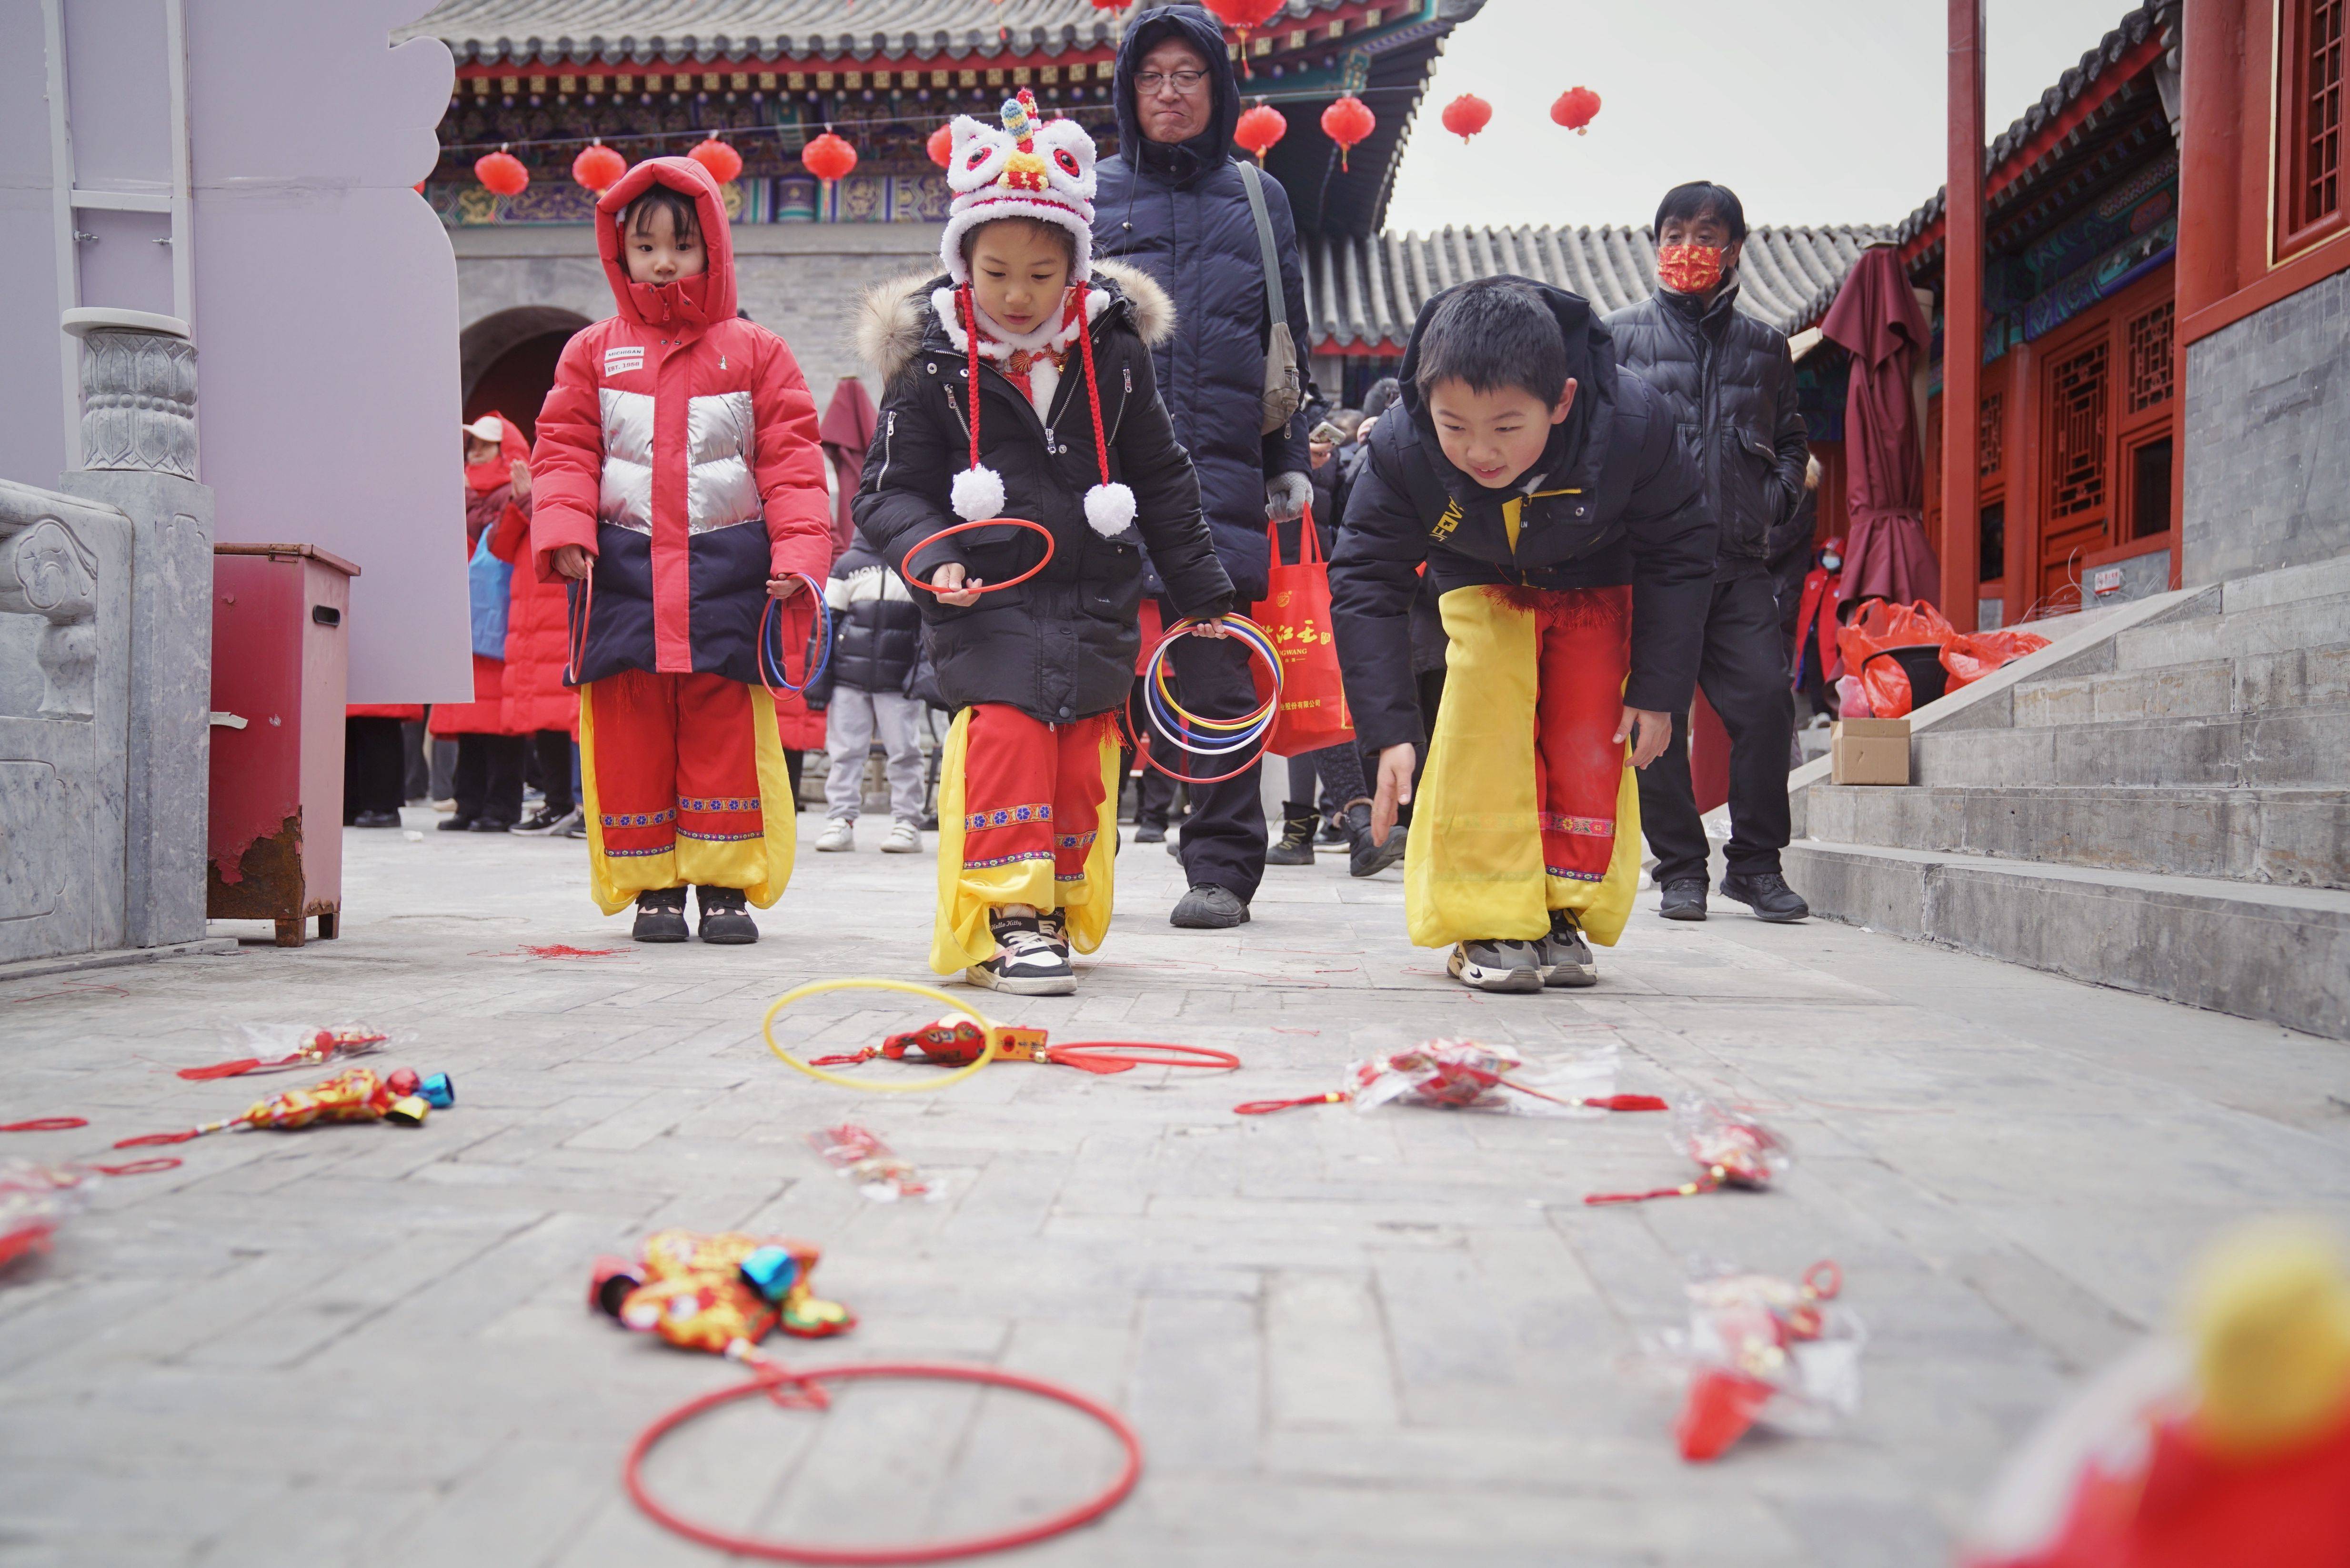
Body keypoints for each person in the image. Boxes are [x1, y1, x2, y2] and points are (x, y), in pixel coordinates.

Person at [854, 89, 1231, 995]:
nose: (1016, 295)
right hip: (984, 600)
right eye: (995, 272)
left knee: (1077, 758)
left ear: (1075, 264)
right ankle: (1011, 914)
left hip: (1094, 594)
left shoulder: (1114, 352)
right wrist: (930, 552)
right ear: (961, 265)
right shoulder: (931, 365)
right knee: (1011, 740)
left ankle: (1053, 904)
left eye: (1039, 272)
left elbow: (1164, 476)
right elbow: (887, 491)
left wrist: (1204, 593)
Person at [1330, 275, 1715, 993]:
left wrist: (1658, 691)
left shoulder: (1631, 422)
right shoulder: (1403, 442)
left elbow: (1682, 550)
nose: (1480, 452)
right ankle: (1487, 912)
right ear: (1423, 398)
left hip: (1595, 574)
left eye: (1507, 428)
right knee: (1488, 714)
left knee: (1588, 729)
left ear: (1562, 400)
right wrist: (1386, 732)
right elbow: (1365, 578)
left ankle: (1560, 910)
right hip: (1477, 570)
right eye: (1455, 426)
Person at [530, 156, 833, 945]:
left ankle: (724, 883)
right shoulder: (592, 353)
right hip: (620, 574)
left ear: (713, 250)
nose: (664, 261)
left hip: (727, 578)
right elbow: (563, 451)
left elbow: (794, 462)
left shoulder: (757, 351)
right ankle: (652, 887)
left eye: (682, 245)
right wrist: (562, 531)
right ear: (620, 253)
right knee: (629, 734)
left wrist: (799, 554)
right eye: (646, 246)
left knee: (724, 730)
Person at [1094, 2, 1315, 932]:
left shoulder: (1259, 200)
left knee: (1219, 679)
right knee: (1086, 675)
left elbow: (1287, 344)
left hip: (1219, 474)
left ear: (1218, 90)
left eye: (1189, 75)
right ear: (1127, 91)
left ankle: (1220, 866)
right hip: (1099, 476)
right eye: (1153, 76)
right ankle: (1069, 856)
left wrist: (1287, 463)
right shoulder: (1091, 193)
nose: (1170, 92)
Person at [1606, 181, 1812, 924]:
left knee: (1763, 704)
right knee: (1656, 718)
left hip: (1736, 567)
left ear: (1732, 250)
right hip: (1651, 571)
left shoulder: (1764, 347)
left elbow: (1790, 439)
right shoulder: (1617, 338)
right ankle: (1681, 867)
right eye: (1673, 232)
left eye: (1705, 234)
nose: (1686, 247)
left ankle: (1755, 867)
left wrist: (1775, 499)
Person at [428, 413, 533, 833]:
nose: (475, 450)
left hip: (501, 618)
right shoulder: (462, 493)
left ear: (508, 452)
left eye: (486, 445)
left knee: (500, 724)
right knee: (468, 720)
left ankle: (501, 807)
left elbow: (504, 547)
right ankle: (469, 803)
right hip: (467, 620)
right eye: (472, 443)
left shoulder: (519, 493)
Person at [806, 542, 926, 855]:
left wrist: (922, 675)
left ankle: (908, 823)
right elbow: (825, 622)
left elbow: (931, 626)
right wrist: (818, 681)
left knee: (905, 753)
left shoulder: (917, 559)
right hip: (849, 679)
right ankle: (840, 820)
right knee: (845, 752)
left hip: (899, 681)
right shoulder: (848, 564)